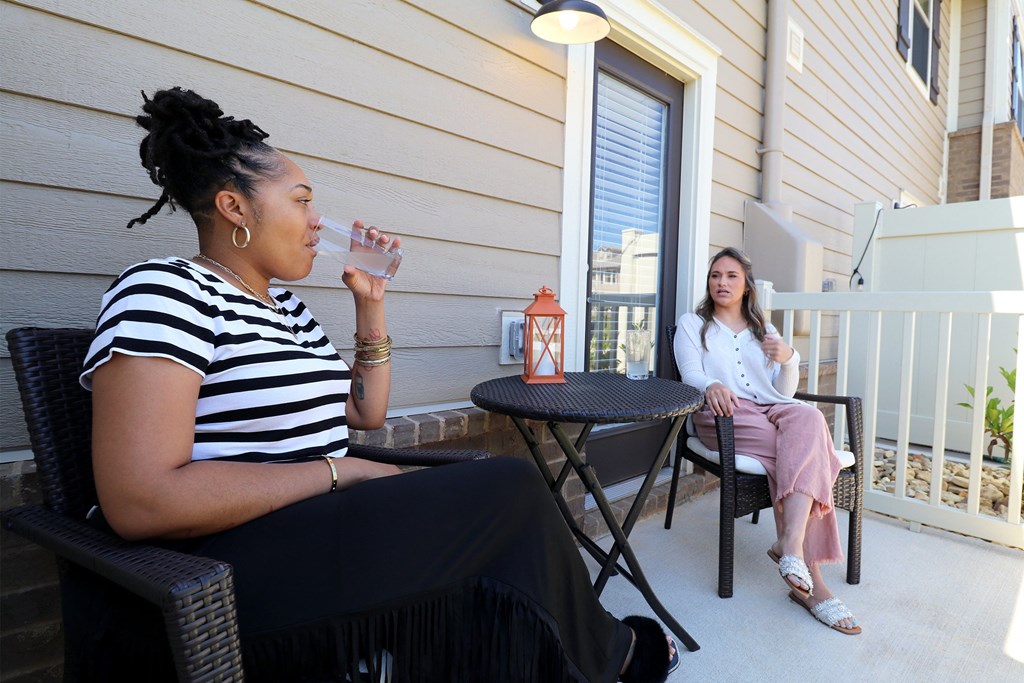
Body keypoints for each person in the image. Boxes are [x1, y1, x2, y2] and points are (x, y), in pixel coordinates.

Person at [74, 86, 679, 682]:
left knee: (495, 524)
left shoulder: (284, 306)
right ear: (235, 208)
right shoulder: (165, 290)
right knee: (512, 485)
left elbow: (363, 413)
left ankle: (574, 657)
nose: (317, 223)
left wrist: (371, 306)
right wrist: (342, 473)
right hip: (222, 563)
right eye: (302, 202)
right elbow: (141, 500)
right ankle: (616, 654)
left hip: (318, 529)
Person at [673, 247, 861, 636]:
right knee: (802, 451)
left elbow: (784, 393)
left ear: (746, 286)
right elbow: (690, 372)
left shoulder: (765, 331)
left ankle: (789, 545)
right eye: (715, 276)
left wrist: (790, 359)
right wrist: (711, 384)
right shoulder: (694, 324)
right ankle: (816, 586)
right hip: (721, 414)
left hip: (768, 410)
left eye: (731, 276)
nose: (721, 283)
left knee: (808, 417)